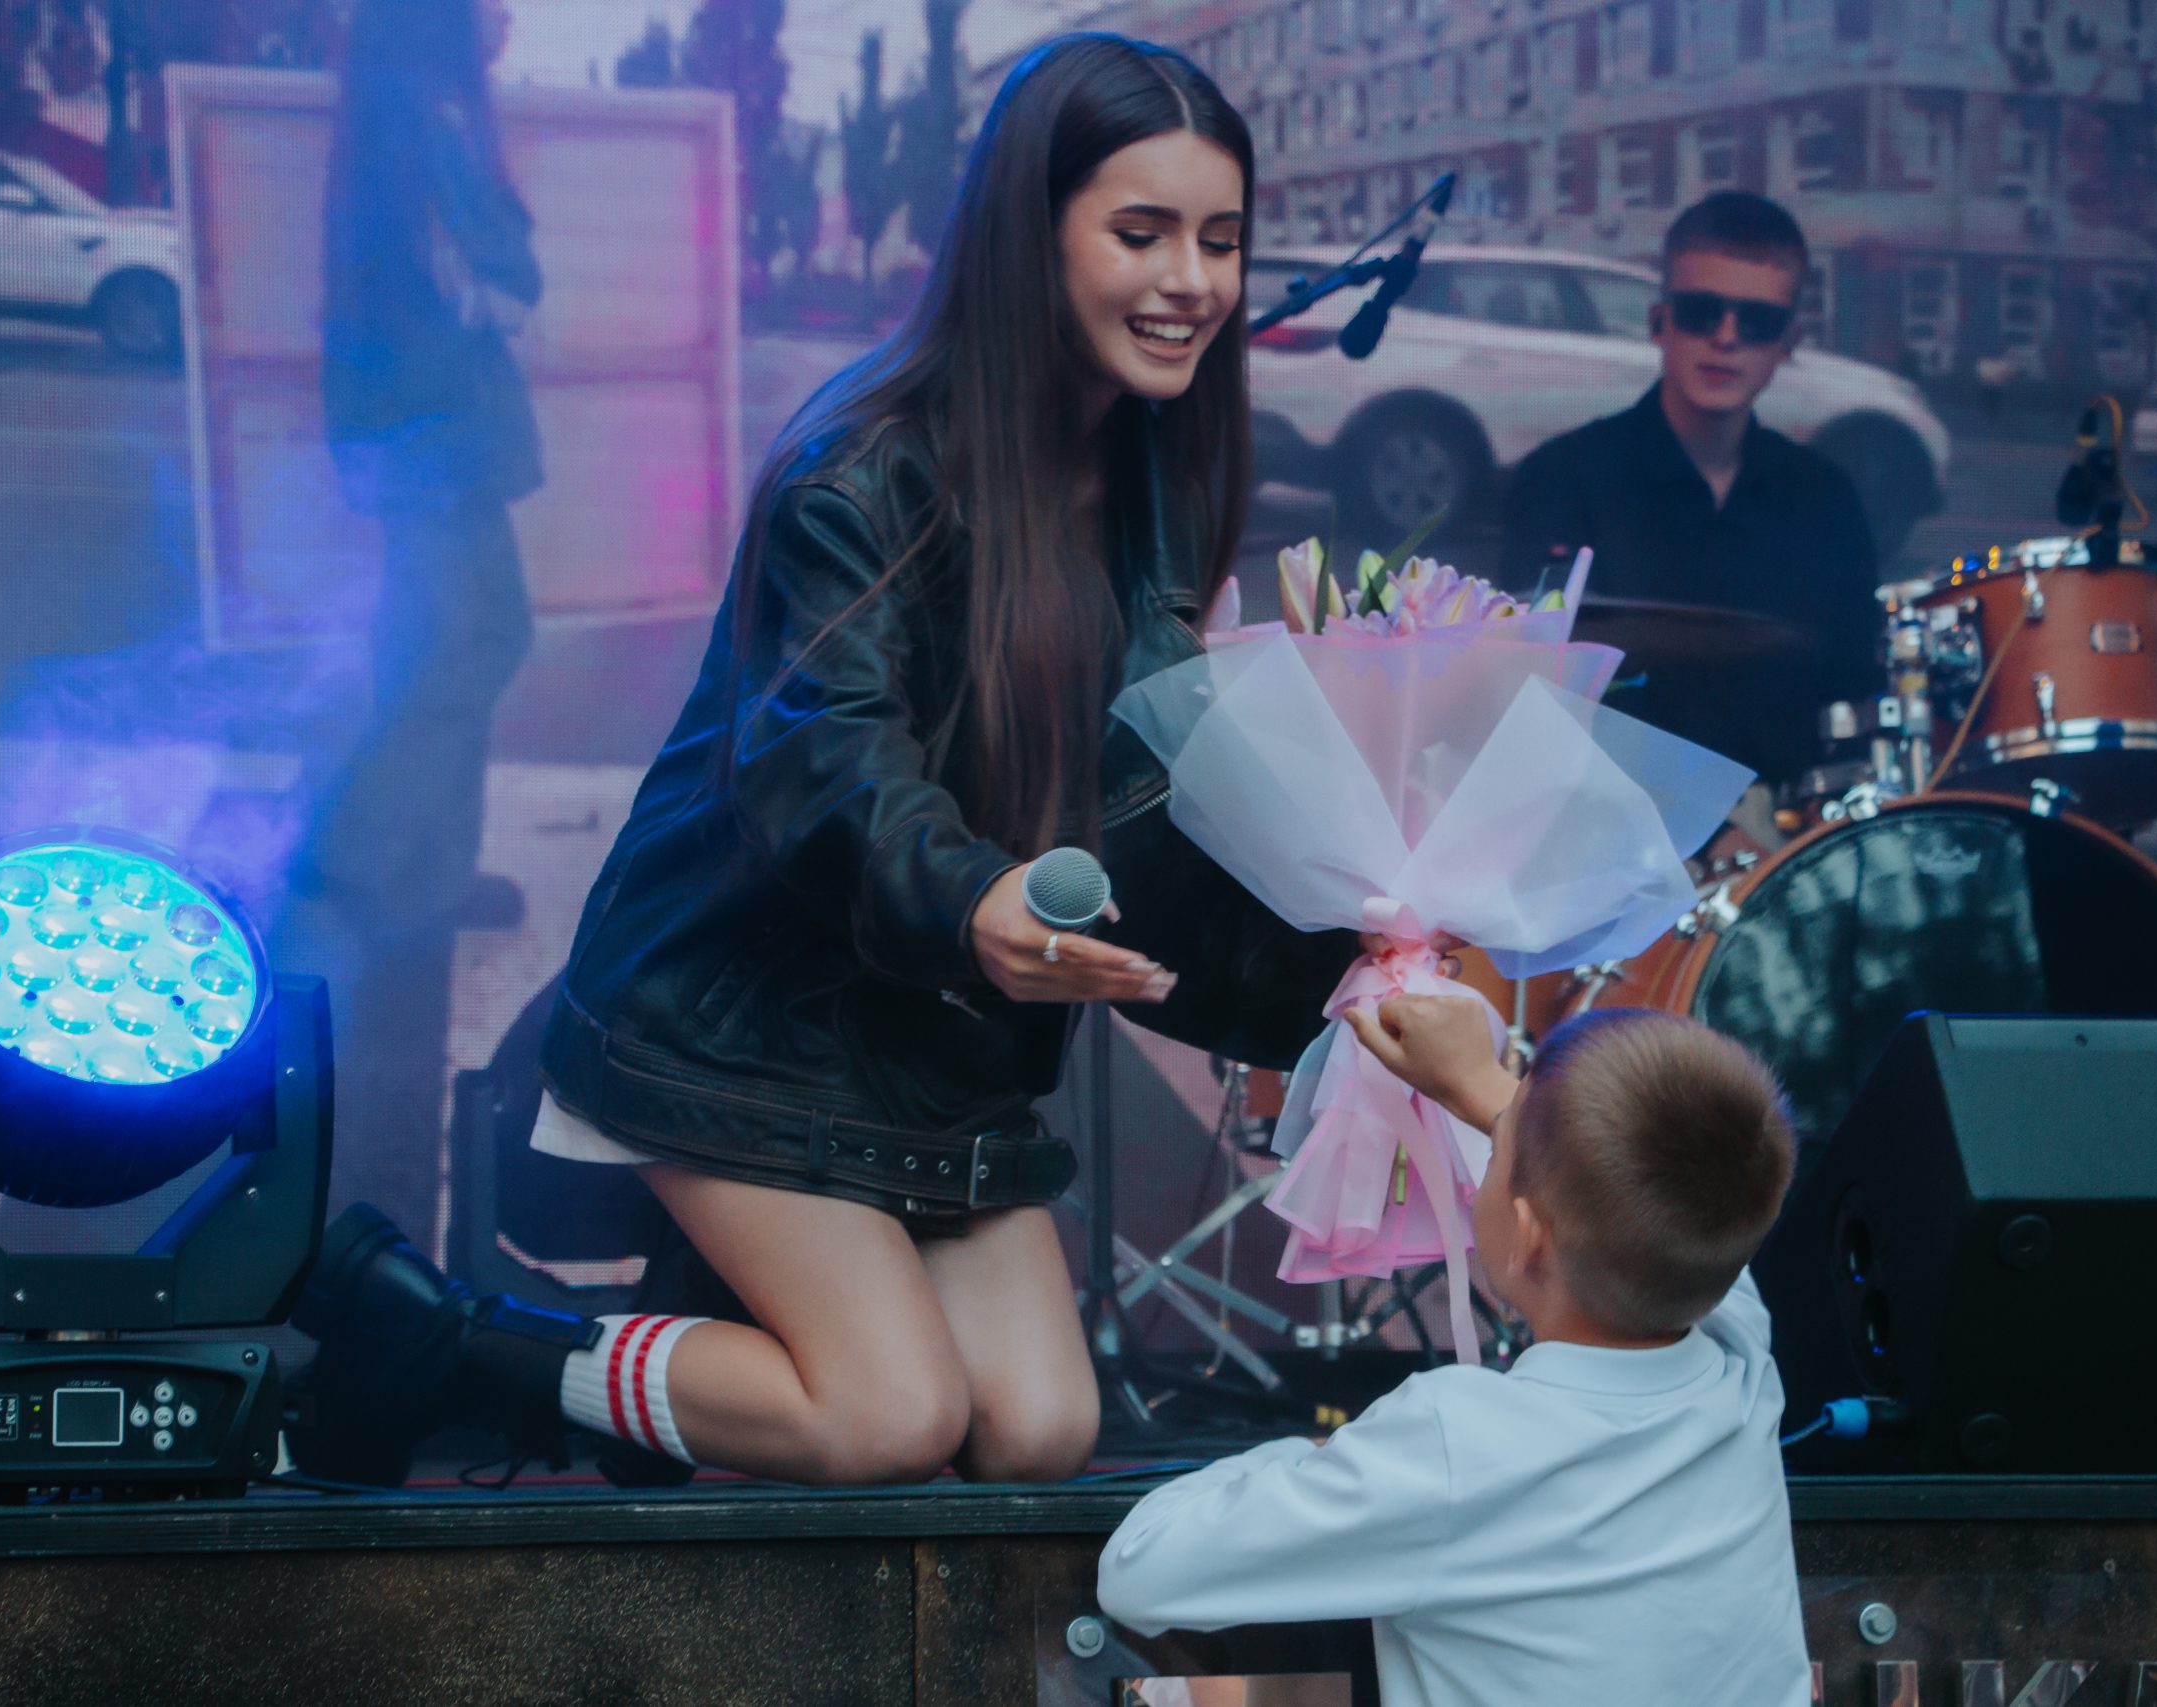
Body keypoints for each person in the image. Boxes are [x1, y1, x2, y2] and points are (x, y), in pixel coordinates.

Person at [290, 34, 1359, 1488]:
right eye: (1142, 231)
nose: (1193, 281)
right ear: (1030, 233)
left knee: (1042, 1425)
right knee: (888, 1413)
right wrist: (978, 901)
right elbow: (829, 768)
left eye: (1221, 240)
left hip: (935, 1049)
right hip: (732, 1026)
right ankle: (444, 1337)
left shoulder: (1157, 479)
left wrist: (1359, 977)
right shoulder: (860, 464)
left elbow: (1143, 820)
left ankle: (723, 1339)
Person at [1098, 1000, 1808, 1707]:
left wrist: (1317, 1454)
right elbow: (1687, 1204)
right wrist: (1476, 1082)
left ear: (1527, 1232)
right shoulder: (1740, 1356)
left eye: (1498, 1155)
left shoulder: (1450, 1446)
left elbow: (1139, 1568)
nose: (1492, 1149)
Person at [1498, 191, 1883, 790]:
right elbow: (1527, 701)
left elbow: (1858, 692)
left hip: (1789, 837)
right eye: (1703, 311)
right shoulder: (1560, 480)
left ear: (1789, 342)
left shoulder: (1827, 499)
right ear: (1659, 323)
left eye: (1757, 322)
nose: (1726, 338)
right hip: (1605, 834)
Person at [302, 0, 537, 929]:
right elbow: (503, 277)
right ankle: (351, 849)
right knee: (472, 640)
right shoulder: (425, 120)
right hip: (434, 439)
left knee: (436, 646)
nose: (503, 15)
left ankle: (432, 871)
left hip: (421, 435)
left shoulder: (395, 111)